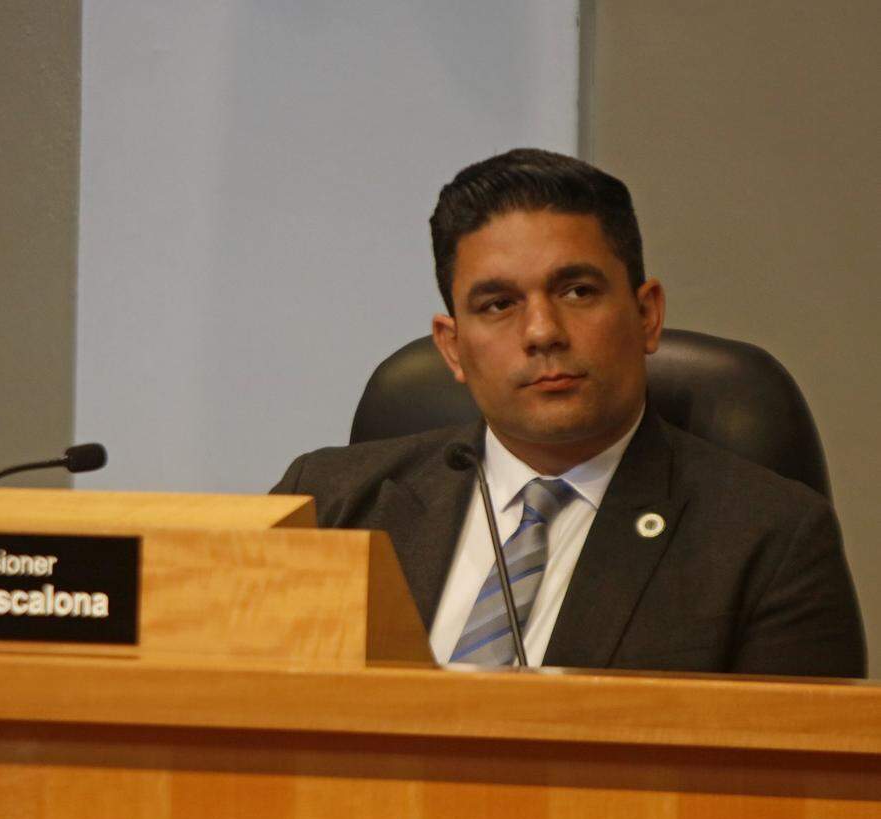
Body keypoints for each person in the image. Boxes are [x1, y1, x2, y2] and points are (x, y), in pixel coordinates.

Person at [272, 148, 865, 677]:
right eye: (499, 304)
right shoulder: (329, 505)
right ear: (453, 347)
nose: (542, 332)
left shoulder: (769, 541)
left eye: (577, 291)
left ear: (646, 315)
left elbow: (793, 790)